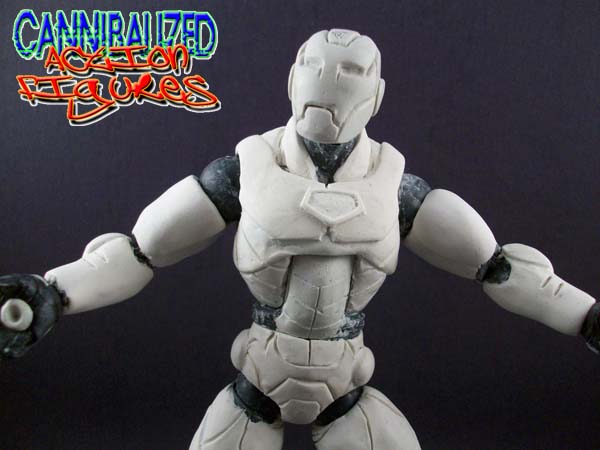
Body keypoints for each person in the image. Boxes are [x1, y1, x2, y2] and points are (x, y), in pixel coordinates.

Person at [1, 29, 598, 450]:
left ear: (376, 94)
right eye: (316, 67)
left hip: (346, 382)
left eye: (351, 72)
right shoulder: (243, 172)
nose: (330, 84)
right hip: (259, 377)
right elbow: (141, 249)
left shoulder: (396, 186)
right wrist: (54, 292)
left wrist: (586, 315)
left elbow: (497, 266)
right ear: (291, 79)